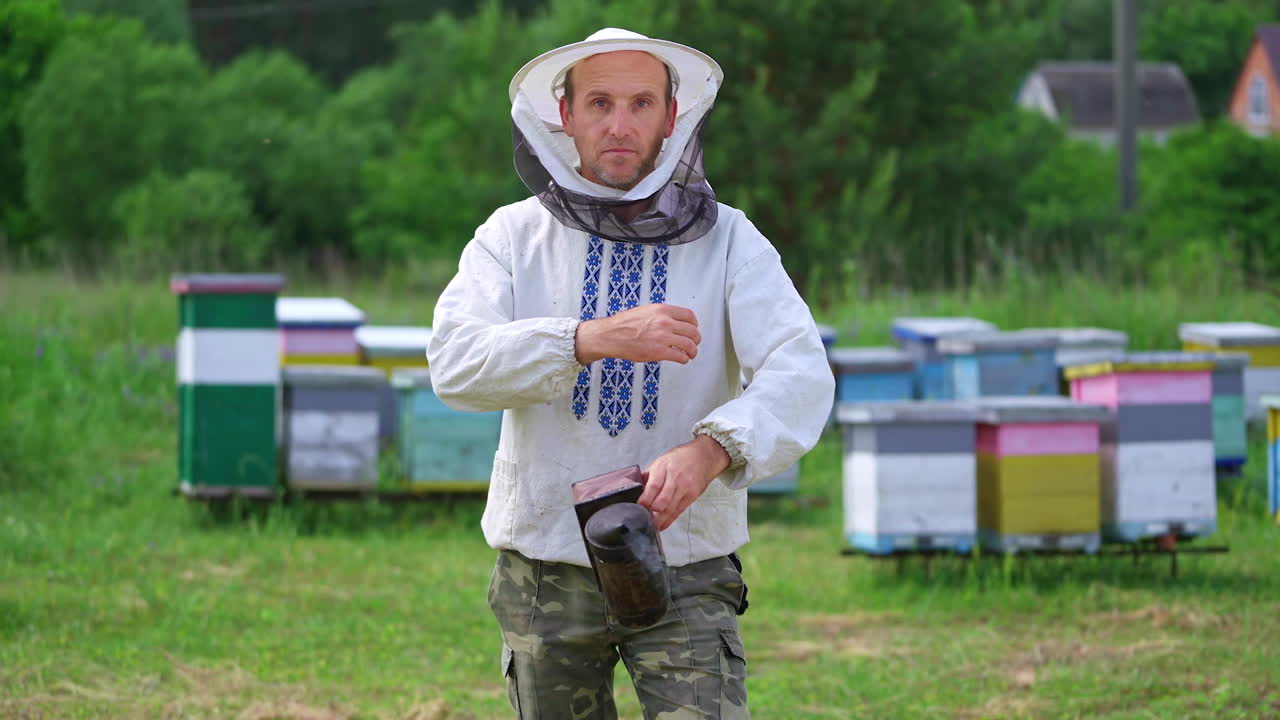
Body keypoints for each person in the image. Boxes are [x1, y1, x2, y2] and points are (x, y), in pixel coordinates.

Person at [427, 27, 834, 720]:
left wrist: (712, 451)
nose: (620, 125)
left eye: (642, 103)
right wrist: (588, 339)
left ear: (673, 117)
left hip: (689, 565)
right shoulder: (511, 236)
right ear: (566, 114)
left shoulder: (731, 240)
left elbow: (801, 375)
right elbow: (455, 364)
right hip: (546, 568)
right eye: (600, 103)